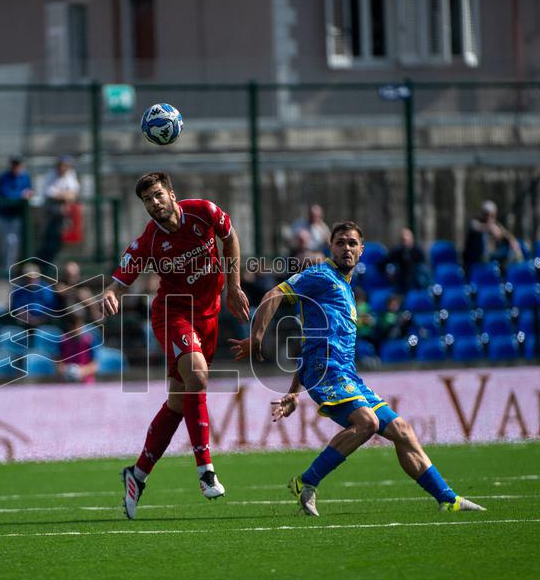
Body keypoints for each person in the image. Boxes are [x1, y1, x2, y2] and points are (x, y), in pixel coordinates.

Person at [229, 221, 485, 516]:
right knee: (368, 423)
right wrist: (257, 337)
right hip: (327, 372)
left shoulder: (347, 290)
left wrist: (294, 392)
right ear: (331, 247)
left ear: (361, 251)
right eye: (340, 242)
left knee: (403, 431)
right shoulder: (321, 275)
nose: (346, 248)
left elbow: (312, 341)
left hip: (344, 374)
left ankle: (447, 499)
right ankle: (306, 481)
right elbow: (273, 294)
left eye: (352, 243)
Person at [100, 171, 250, 519]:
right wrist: (110, 293)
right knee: (197, 377)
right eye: (147, 200)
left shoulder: (204, 212)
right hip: (173, 313)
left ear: (171, 194)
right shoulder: (148, 241)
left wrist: (233, 286)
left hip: (209, 316)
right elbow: (119, 281)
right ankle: (205, 471)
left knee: (179, 402)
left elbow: (231, 239)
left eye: (157, 195)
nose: (154, 203)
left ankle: (136, 475)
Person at [37, 155, 80, 263]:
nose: (63, 168)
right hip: (51, 215)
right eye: (61, 165)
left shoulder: (71, 174)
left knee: (64, 244)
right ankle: (46, 266)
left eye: (66, 165)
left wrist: (62, 195)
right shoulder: (51, 174)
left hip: (65, 217)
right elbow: (50, 193)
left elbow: (74, 194)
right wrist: (65, 195)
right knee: (49, 243)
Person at [462, 200, 523, 272]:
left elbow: (508, 236)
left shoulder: (496, 225)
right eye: (486, 214)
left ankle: (512, 274)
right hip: (474, 258)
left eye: (492, 215)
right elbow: (475, 227)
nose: (489, 217)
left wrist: (512, 242)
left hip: (492, 257)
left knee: (514, 248)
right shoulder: (475, 222)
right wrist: (489, 228)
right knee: (483, 236)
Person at [0, 156, 33, 270]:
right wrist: (21, 195)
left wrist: (26, 194)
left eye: (18, 164)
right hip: (6, 215)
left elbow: (30, 191)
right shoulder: (4, 177)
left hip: (20, 215)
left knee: (17, 243)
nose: (16, 167)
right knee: (8, 243)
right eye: (14, 164)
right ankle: (7, 270)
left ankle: (16, 270)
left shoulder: (25, 176)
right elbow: (6, 194)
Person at [10, 262, 60, 327]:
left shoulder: (46, 289)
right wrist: (30, 320)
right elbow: (18, 309)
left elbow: (50, 309)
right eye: (28, 277)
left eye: (34, 277)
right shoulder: (18, 290)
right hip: (24, 322)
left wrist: (39, 321)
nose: (31, 279)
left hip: (44, 323)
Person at [57, 310, 99, 383]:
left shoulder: (89, 340)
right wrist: (66, 371)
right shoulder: (63, 341)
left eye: (78, 325)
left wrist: (81, 372)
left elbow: (94, 366)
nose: (76, 328)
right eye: (73, 325)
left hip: (86, 383)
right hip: (67, 383)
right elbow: (59, 364)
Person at [382, 227, 429, 293]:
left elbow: (424, 269)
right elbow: (383, 263)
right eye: (403, 238)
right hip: (400, 283)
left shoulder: (418, 252)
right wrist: (389, 271)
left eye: (407, 236)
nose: (405, 239)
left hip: (416, 283)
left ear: (412, 238)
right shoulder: (396, 251)